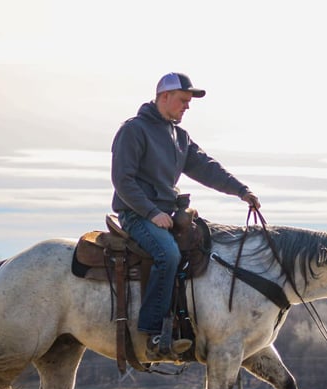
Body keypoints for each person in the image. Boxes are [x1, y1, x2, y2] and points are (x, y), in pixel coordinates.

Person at [111, 72, 260, 359]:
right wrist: (151, 212)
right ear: (163, 97)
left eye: (189, 102)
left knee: (206, 246)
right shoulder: (134, 130)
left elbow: (207, 167)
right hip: (136, 214)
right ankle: (154, 336)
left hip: (166, 214)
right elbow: (123, 180)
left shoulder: (179, 136)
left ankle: (187, 325)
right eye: (182, 100)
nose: (187, 107)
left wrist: (241, 190)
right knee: (168, 255)